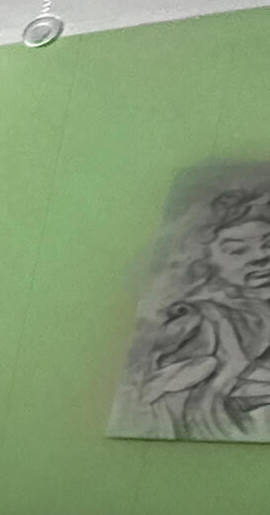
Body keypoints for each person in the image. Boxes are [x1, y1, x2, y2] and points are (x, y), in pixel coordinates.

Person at [115, 180, 270, 439]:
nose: (260, 257)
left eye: (268, 244)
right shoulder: (196, 324)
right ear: (204, 263)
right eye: (237, 250)